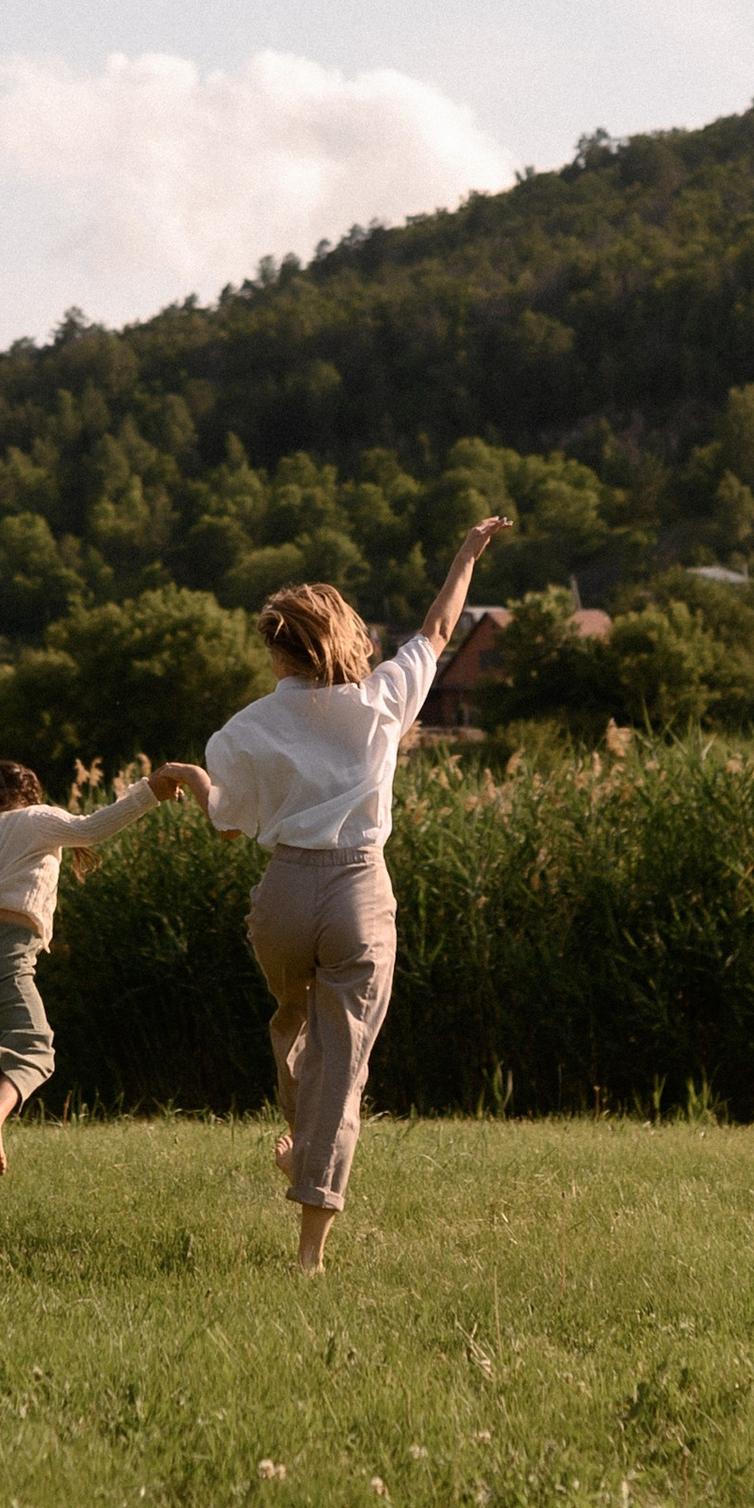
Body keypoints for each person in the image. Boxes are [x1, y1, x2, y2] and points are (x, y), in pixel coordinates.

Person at [152, 512, 509, 1272]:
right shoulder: (380, 701)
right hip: (355, 892)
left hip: (281, 896)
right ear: (340, 638)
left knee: (294, 1026)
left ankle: (300, 1144)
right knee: (341, 1063)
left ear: (277, 650)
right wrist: (467, 548)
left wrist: (192, 779)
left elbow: (226, 826)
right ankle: (310, 1251)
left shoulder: (242, 729)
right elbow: (441, 629)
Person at [0, 760, 163, 1177]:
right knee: (36, 1044)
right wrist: (150, 793)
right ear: (28, 792)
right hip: (4, 955)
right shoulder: (38, 818)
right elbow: (94, 827)